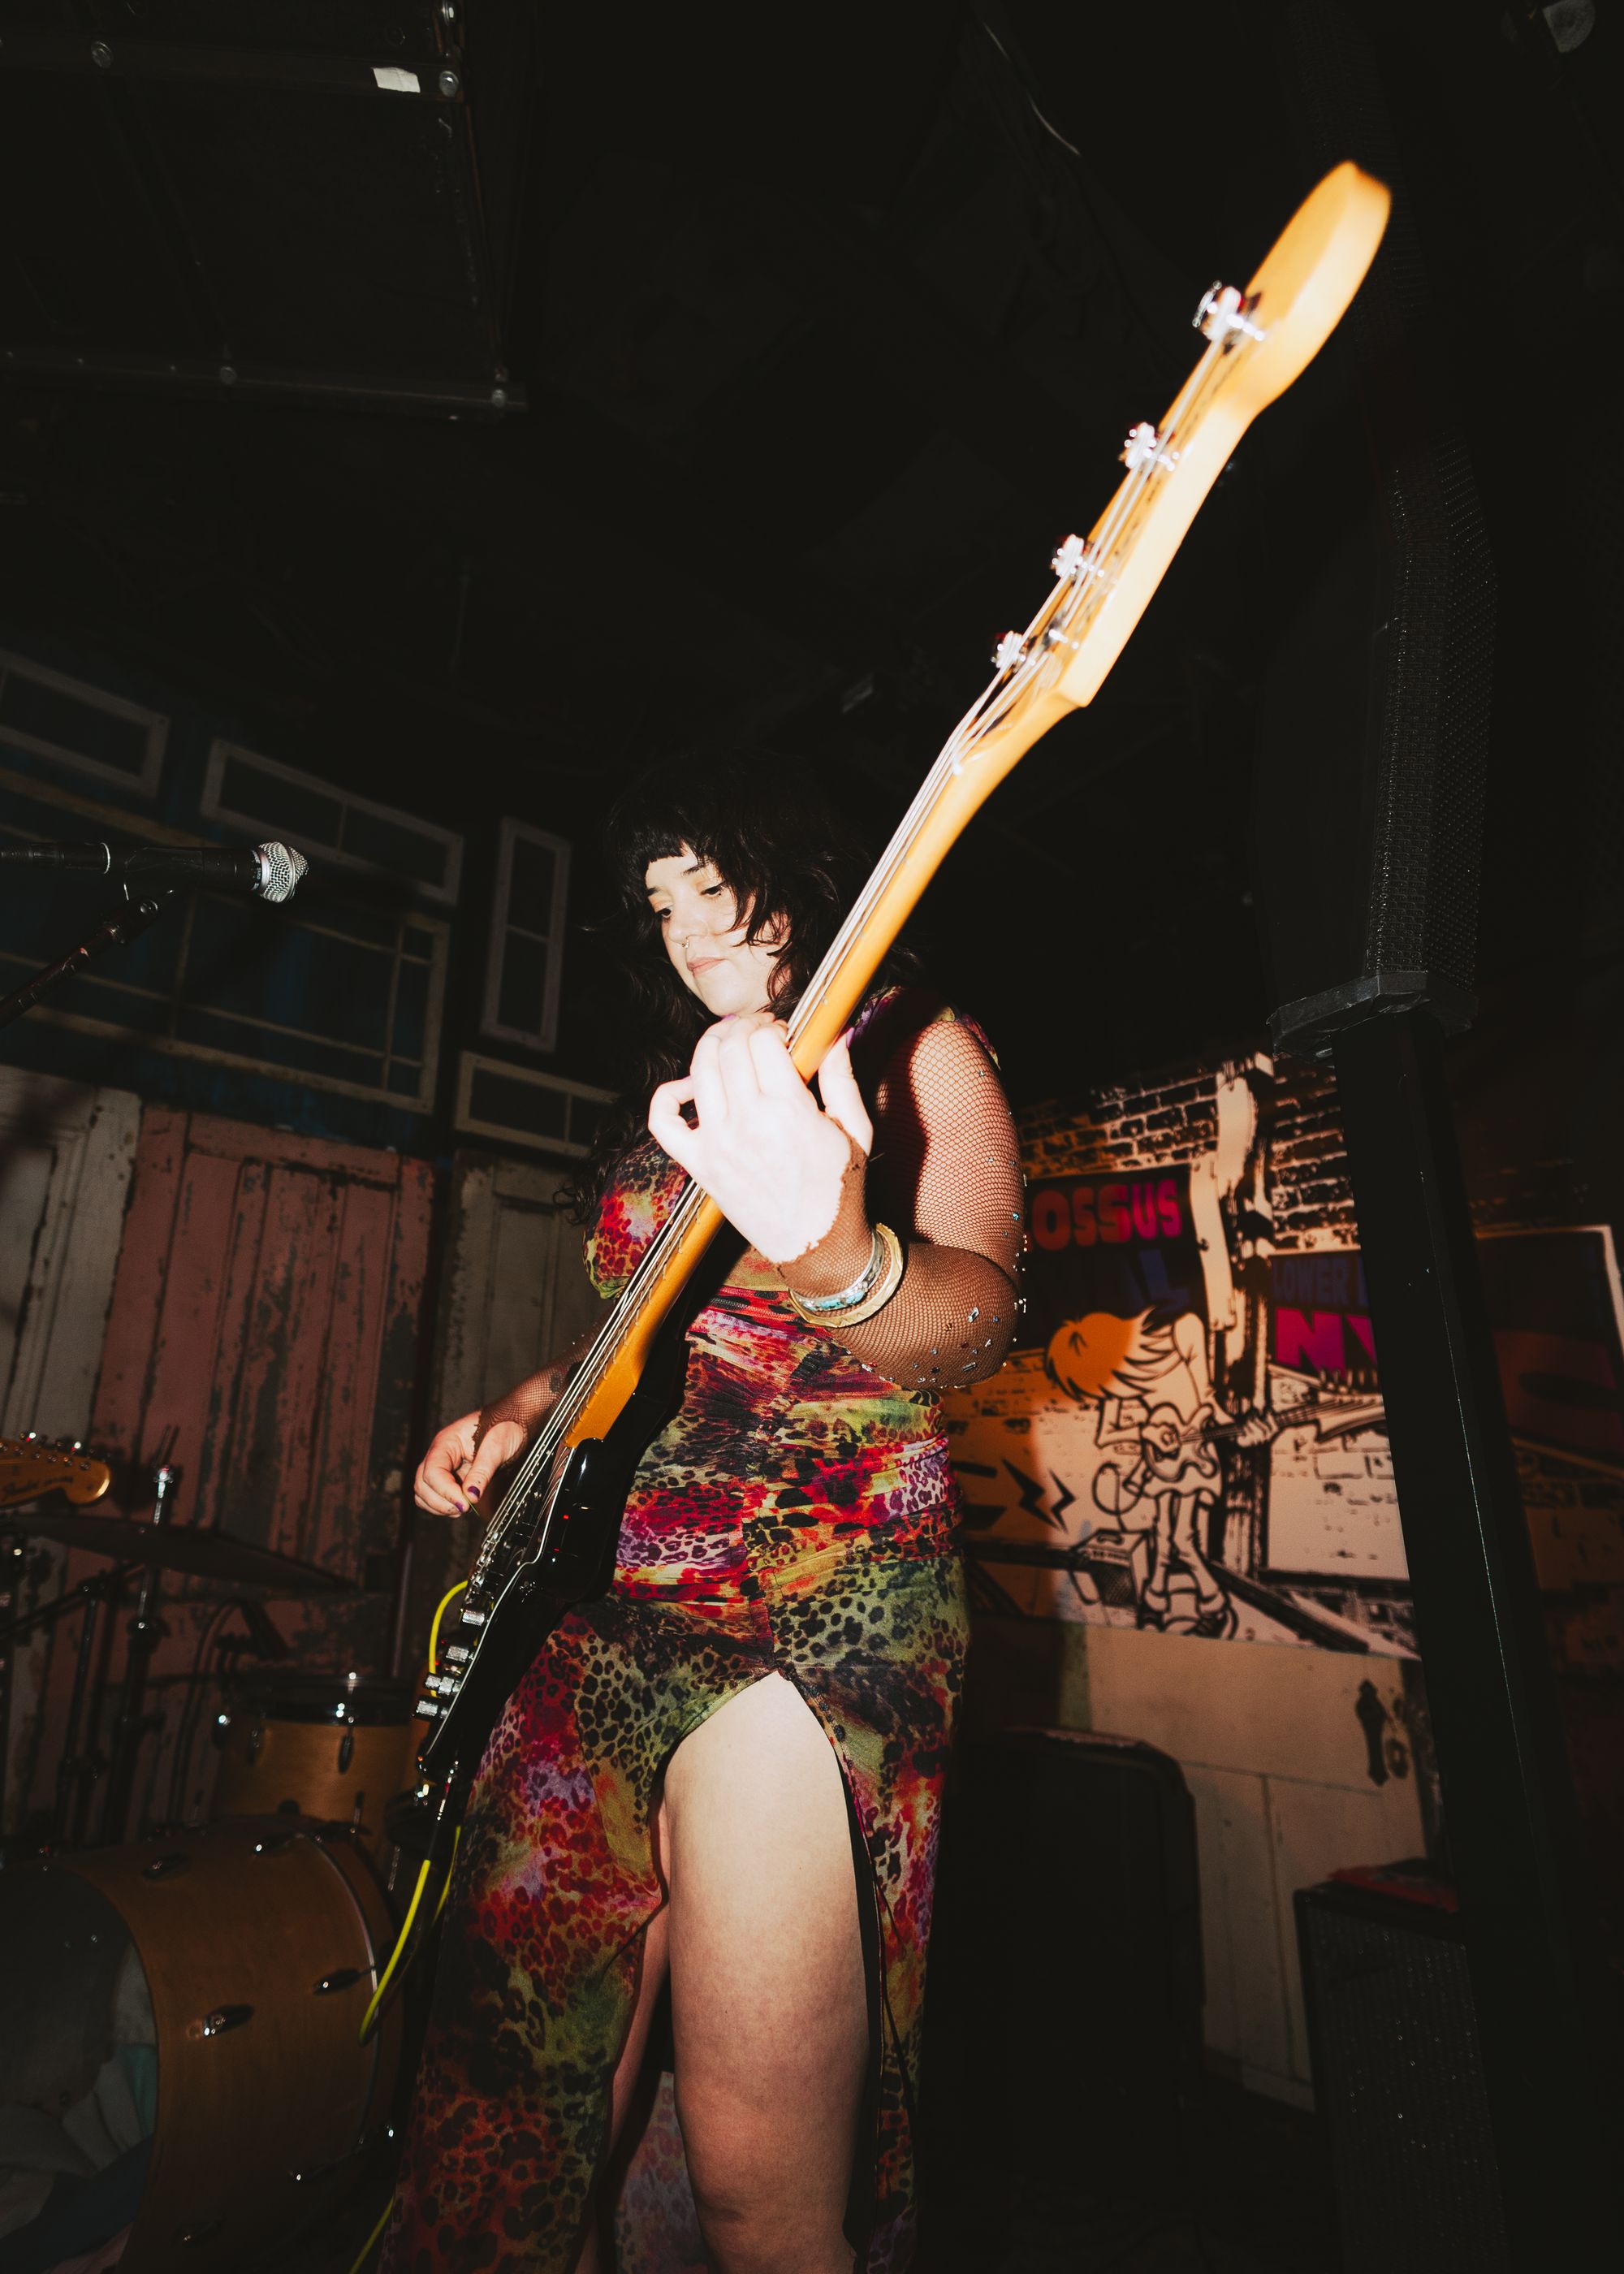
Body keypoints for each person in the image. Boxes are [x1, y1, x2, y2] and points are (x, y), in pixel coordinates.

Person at [381, 757, 1023, 2274]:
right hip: (597, 1601)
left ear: (792, 878)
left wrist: (839, 1255)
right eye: (657, 904)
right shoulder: (684, 1099)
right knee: (517, 2134)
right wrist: (521, 1410)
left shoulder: (914, 1045)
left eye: (706, 884)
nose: (678, 927)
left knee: (758, 2194)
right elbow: (648, 1341)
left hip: (801, 1603)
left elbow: (978, 1318)